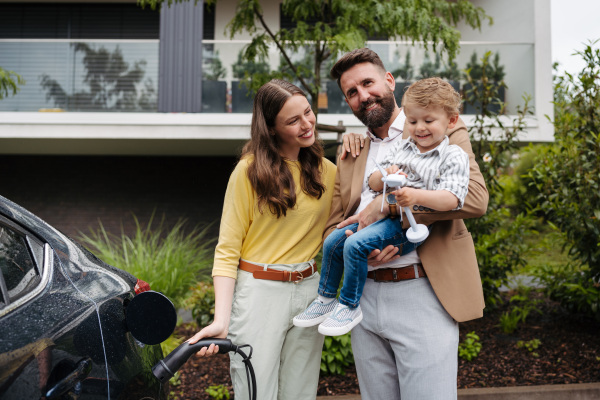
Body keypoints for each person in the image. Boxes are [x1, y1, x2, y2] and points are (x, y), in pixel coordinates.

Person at [325, 48, 489, 399]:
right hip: (363, 299)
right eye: (351, 92)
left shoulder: (437, 129)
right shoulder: (352, 150)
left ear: (389, 81)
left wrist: (387, 209)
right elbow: (335, 223)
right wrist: (349, 241)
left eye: (368, 83)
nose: (363, 95)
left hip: (422, 292)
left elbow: (474, 199)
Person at [186, 79, 338, 400]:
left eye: (308, 113)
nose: (306, 124)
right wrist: (221, 319)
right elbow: (227, 250)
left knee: (300, 393)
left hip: (310, 291)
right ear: (271, 129)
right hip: (259, 293)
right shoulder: (248, 172)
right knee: (256, 391)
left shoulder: (329, 171)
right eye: (293, 120)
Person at [293, 77, 470, 337]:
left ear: (451, 121)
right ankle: (326, 299)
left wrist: (415, 196)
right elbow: (374, 182)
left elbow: (453, 199)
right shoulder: (403, 146)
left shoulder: (452, 155)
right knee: (333, 241)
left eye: (428, 121)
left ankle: (349, 305)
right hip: (380, 222)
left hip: (405, 224)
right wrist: (386, 174)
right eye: (412, 121)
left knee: (354, 245)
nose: (419, 128)